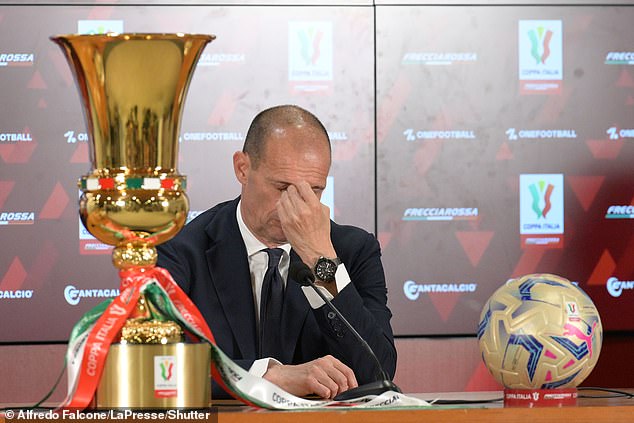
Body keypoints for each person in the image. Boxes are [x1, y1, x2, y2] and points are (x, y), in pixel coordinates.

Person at [157, 104, 396, 399]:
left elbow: (378, 373)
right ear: (242, 168)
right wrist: (269, 377)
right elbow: (158, 365)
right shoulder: (179, 250)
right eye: (283, 187)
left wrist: (321, 260)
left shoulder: (354, 251)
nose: (295, 205)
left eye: (314, 190)